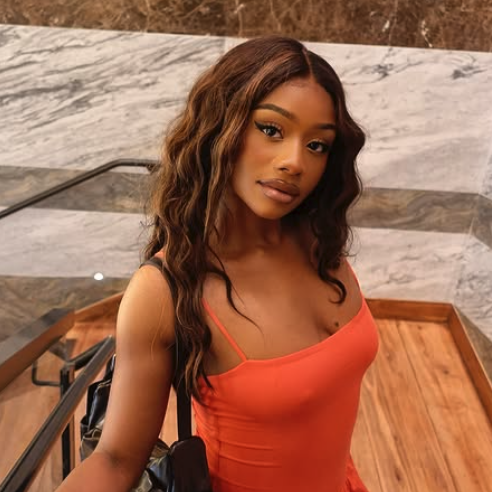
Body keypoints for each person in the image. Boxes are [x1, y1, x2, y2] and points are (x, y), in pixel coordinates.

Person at [57, 35, 379, 492]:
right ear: (220, 126)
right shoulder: (165, 290)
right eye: (271, 129)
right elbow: (115, 460)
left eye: (317, 145)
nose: (294, 162)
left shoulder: (319, 242)